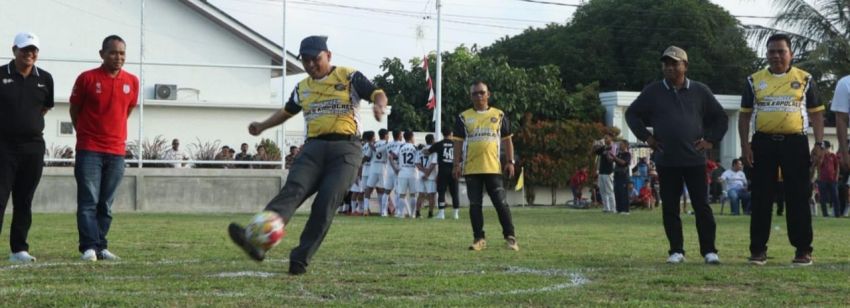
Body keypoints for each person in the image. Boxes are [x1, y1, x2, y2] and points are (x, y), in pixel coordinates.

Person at [228, 35, 387, 275]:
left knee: (325, 203)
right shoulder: (302, 87)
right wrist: (262, 126)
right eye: (306, 60)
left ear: (328, 56)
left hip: (345, 150)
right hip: (313, 149)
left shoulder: (348, 75)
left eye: (316, 59)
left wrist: (379, 105)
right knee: (292, 191)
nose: (311, 65)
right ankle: (257, 242)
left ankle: (300, 258)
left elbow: (377, 92)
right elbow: (286, 112)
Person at [625, 46, 728, 265]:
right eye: (666, 63)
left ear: (685, 66)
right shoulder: (653, 91)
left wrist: (710, 140)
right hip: (667, 159)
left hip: (695, 160)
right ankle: (676, 250)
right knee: (670, 207)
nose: (670, 67)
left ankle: (709, 250)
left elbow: (720, 117)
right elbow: (632, 114)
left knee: (702, 206)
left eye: (675, 63)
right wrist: (647, 138)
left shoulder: (700, 91)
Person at [739, 34, 823, 266]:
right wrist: (745, 145)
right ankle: (758, 250)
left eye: (781, 51)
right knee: (760, 197)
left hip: (795, 143)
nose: (776, 55)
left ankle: (803, 250)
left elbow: (816, 113)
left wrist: (819, 143)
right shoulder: (754, 80)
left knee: (798, 196)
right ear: (766, 55)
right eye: (771, 51)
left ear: (791, 54)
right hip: (762, 143)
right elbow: (744, 115)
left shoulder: (805, 79)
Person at [70, 35, 139, 261]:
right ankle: (88, 247)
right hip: (89, 148)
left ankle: (101, 246)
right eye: (112, 52)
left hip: (116, 151)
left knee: (106, 204)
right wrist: (85, 134)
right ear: (102, 54)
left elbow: (126, 112)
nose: (118, 57)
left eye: (122, 53)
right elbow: (75, 110)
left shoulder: (132, 82)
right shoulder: (87, 79)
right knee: (88, 201)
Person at [0, 32, 53, 263]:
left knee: (24, 199)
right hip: (3, 147)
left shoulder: (45, 78)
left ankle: (18, 249)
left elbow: (44, 108)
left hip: (33, 147)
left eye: (33, 50)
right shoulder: (1, 74)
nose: (30, 54)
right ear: (14, 50)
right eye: (25, 50)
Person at [452, 80, 518, 251]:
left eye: (482, 92)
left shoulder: (499, 115)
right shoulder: (463, 117)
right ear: (471, 96)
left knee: (501, 203)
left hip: (493, 168)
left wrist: (510, 162)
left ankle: (510, 237)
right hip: (471, 168)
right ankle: (479, 239)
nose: (479, 96)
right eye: (475, 93)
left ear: (488, 94)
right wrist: (456, 164)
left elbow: (507, 140)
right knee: (475, 205)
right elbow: (458, 143)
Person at [427, 127, 461, 219]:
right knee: (455, 192)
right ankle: (455, 214)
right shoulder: (456, 144)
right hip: (454, 170)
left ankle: (441, 213)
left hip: (443, 171)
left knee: (441, 192)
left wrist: (423, 149)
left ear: (443, 134)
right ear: (451, 133)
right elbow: (461, 157)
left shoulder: (439, 144)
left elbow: (427, 152)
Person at [391, 132, 418, 218]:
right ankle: (412, 214)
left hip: (402, 172)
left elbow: (391, 156)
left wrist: (395, 168)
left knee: (402, 194)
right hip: (413, 173)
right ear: (411, 137)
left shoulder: (401, 146)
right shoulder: (415, 147)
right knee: (413, 194)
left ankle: (400, 214)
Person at [366, 129, 389, 216]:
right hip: (382, 167)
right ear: (386, 135)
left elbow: (367, 156)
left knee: (369, 188)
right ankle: (383, 211)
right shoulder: (387, 144)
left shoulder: (374, 143)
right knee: (383, 190)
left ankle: (365, 209)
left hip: (373, 166)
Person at [814, 141, 839, 217]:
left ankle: (837, 214)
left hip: (832, 180)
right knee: (823, 198)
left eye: (824, 148)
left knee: (835, 197)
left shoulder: (833, 156)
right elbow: (819, 166)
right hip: (823, 180)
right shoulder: (821, 156)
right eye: (822, 148)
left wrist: (836, 178)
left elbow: (837, 167)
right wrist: (822, 156)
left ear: (828, 148)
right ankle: (825, 214)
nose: (823, 150)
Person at [417, 135, 438, 218]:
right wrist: (427, 173)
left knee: (420, 195)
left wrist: (423, 171)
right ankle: (430, 213)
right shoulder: (434, 150)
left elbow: (417, 163)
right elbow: (433, 163)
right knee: (431, 195)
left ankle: (417, 213)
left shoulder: (421, 150)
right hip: (431, 176)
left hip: (421, 175)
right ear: (433, 140)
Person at [613, 141, 632, 214]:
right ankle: (619, 209)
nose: (620, 146)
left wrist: (615, 158)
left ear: (626, 146)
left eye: (621, 145)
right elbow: (614, 160)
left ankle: (625, 210)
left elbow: (624, 163)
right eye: (620, 144)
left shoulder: (628, 154)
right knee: (617, 192)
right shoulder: (619, 154)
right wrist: (611, 157)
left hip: (624, 176)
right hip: (617, 175)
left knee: (623, 193)